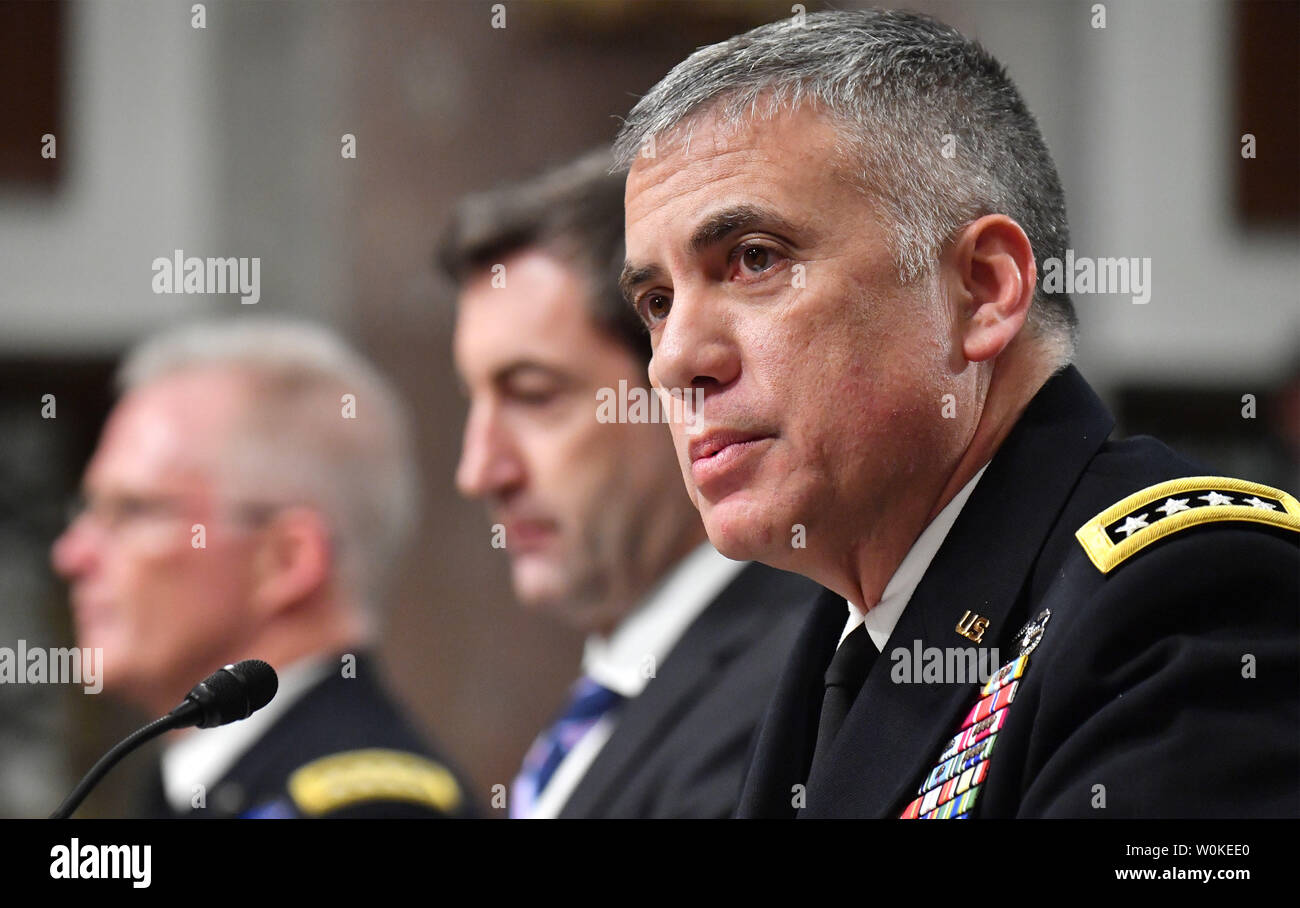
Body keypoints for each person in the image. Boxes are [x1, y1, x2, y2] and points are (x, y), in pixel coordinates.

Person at [613, 9, 1299, 818]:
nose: (674, 360)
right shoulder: (840, 636)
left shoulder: (1188, 596)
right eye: (656, 302)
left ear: (982, 290)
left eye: (756, 259)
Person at [441, 149, 820, 818]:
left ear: (677, 381)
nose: (480, 471)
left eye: (532, 395)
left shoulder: (790, 685)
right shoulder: (619, 685)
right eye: (472, 401)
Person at [52, 319, 472, 818]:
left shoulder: (375, 809)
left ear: (286, 560)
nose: (72, 555)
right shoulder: (188, 782)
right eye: (88, 510)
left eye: (133, 511)